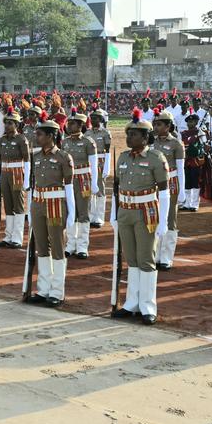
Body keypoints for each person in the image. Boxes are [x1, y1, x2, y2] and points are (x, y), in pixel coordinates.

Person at [110, 112, 169, 324]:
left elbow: (164, 192)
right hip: (125, 211)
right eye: (128, 134)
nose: (128, 138)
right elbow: (117, 189)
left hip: (146, 212)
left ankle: (147, 306)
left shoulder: (156, 158)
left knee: (146, 260)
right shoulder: (123, 157)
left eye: (133, 135)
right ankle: (131, 304)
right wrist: (113, 214)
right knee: (131, 259)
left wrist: (163, 221)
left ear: (145, 138)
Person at [25, 119, 75, 307]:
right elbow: (32, 184)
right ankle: (43, 289)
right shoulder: (35, 156)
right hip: (38, 203)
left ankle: (57, 291)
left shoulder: (63, 157)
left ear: (51, 136)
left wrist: (71, 213)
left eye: (39, 134)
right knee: (41, 247)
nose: (36, 137)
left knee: (57, 247)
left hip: (55, 203)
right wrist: (31, 208)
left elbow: (69, 187)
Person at [61, 111, 98, 259]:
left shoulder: (88, 142)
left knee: (83, 213)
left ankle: (82, 246)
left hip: (83, 179)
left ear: (81, 125)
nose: (69, 125)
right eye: (69, 123)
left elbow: (94, 165)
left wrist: (94, 183)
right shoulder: (65, 142)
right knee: (71, 211)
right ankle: (70, 244)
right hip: (69, 180)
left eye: (72, 123)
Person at [152, 111, 185, 270]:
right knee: (155, 217)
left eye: (159, 124)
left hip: (171, 182)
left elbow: (180, 169)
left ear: (168, 126)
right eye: (155, 124)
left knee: (170, 218)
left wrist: (182, 190)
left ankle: (166, 256)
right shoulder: (152, 142)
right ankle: (156, 254)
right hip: (154, 183)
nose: (156, 127)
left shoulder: (176, 144)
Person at [0, 108, 30, 248]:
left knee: (18, 205)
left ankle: (17, 237)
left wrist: (26, 179)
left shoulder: (21, 139)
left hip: (16, 173)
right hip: (4, 172)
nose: (7, 125)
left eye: (11, 123)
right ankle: (8, 235)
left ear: (17, 125)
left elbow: (27, 160)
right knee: (7, 205)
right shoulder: (1, 140)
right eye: (6, 123)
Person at [87, 109, 112, 228]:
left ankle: (99, 217)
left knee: (100, 188)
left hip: (101, 160)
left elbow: (108, 151)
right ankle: (92, 216)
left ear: (101, 119)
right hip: (90, 162)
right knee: (91, 187)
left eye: (96, 118)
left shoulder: (105, 133)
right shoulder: (87, 133)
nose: (93, 120)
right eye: (92, 118)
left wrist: (107, 167)